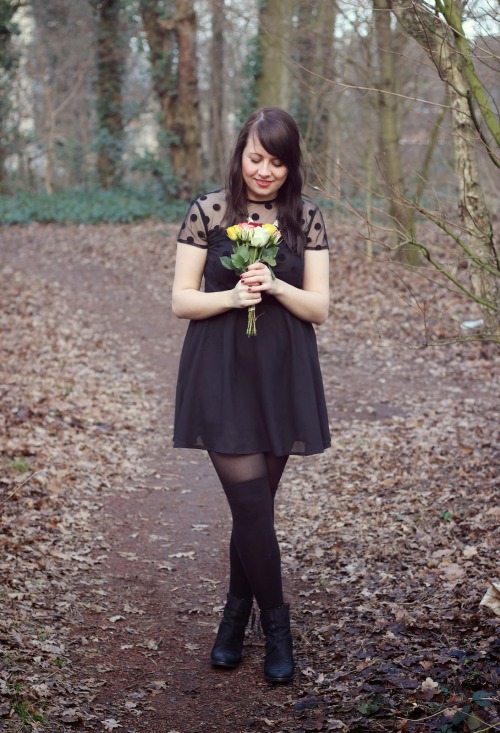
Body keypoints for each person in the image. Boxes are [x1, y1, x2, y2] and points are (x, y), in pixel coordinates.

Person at [171, 107, 330, 684]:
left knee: (255, 508)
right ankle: (279, 628)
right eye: (257, 158)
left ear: (291, 166)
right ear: (241, 153)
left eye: (278, 161)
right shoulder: (209, 212)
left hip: (282, 374)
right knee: (252, 506)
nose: (266, 171)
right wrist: (234, 299)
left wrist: (277, 284)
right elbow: (182, 300)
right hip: (220, 372)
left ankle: (234, 621)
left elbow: (319, 309)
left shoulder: (306, 218)